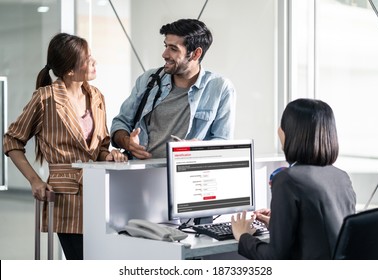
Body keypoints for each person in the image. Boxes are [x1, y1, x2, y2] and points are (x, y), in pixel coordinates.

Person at [3, 33, 127, 260]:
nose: (94, 62)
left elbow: (100, 147)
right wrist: (35, 180)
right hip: (66, 199)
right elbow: (12, 140)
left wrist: (110, 156)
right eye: (88, 59)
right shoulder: (45, 98)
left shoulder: (97, 96)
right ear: (70, 70)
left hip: (102, 197)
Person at [231, 98, 356, 260]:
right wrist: (277, 224)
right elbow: (322, 236)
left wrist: (243, 236)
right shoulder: (341, 177)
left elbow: (276, 258)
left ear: (284, 133)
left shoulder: (287, 180)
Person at [110, 18, 236, 159]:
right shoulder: (148, 79)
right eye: (166, 46)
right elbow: (120, 123)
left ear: (196, 53)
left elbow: (224, 142)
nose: (165, 54)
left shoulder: (220, 88)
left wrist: (198, 147)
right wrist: (128, 143)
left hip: (186, 175)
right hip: (141, 173)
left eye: (173, 49)